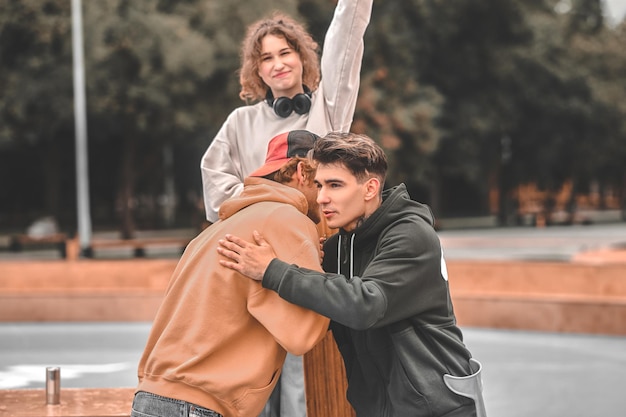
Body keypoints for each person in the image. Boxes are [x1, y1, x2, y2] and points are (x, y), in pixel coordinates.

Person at [217, 132, 487, 417]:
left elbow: (365, 305)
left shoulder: (411, 234)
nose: (322, 198)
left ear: (370, 188)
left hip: (438, 406)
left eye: (335, 185)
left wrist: (273, 270)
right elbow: (318, 311)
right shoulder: (340, 246)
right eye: (319, 185)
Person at [200, 2, 373, 415]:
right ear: (255, 71)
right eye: (267, 58)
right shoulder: (239, 123)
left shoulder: (327, 109)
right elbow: (213, 189)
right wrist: (264, 201)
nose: (278, 64)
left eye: (285, 52)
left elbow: (346, 41)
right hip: (250, 258)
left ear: (302, 57)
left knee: (305, 377)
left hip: (311, 256)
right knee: (249, 369)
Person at [131, 130, 330, 417]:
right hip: (201, 405)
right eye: (322, 183)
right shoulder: (288, 220)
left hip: (151, 398)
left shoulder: (212, 232)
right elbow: (304, 335)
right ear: (301, 172)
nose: (324, 197)